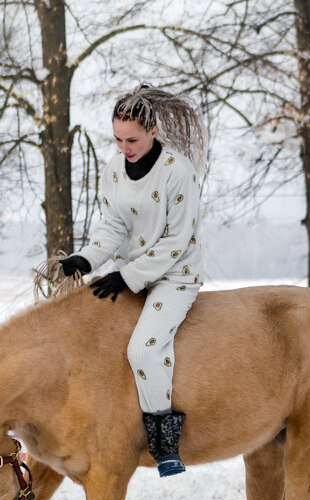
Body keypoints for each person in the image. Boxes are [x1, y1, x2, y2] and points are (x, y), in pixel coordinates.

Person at [60, 85, 206, 478]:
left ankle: (164, 441)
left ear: (154, 130)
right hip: (127, 273)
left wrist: (127, 277)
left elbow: (177, 241)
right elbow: (113, 225)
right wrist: (85, 258)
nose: (125, 148)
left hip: (174, 275)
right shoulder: (113, 170)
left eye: (133, 140)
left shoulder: (179, 173)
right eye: (118, 139)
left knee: (143, 351)